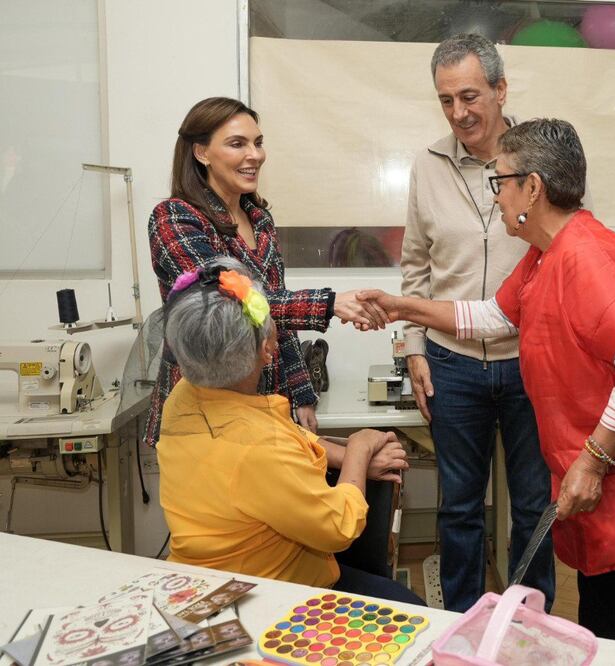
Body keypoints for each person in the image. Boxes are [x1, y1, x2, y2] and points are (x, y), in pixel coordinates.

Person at [359, 118, 615, 644]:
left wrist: (593, 459)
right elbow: (494, 317)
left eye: (501, 182)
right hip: (601, 472)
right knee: (605, 612)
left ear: (532, 188)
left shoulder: (586, 256)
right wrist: (404, 307)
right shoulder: (548, 253)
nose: (496, 198)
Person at [156, 257, 419, 603]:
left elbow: (291, 438)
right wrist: (360, 445)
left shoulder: (182, 397)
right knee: (411, 609)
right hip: (263, 594)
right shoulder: (261, 449)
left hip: (203, 576)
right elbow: (339, 526)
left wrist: (347, 458)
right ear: (268, 351)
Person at [400, 34, 554, 611]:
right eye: (445, 100)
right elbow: (415, 264)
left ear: (500, 89)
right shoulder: (428, 164)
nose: (459, 113)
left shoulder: (540, 158)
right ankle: (460, 625)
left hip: (529, 362)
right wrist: (414, 348)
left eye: (469, 96)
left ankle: (528, 621)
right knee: (459, 506)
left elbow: (569, 248)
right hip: (451, 363)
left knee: (535, 504)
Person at [144, 96, 386, 447]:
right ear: (201, 153)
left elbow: (277, 321)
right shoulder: (175, 219)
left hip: (265, 404)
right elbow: (229, 299)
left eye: (257, 143)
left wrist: (302, 394)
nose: (254, 155)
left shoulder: (260, 220)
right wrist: (329, 303)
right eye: (237, 144)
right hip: (205, 412)